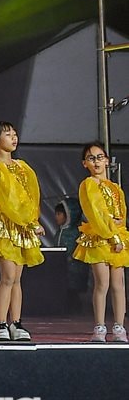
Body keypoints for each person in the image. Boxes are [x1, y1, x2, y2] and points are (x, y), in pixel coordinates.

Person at [0, 120, 42, 342]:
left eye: (14, 134)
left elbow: (32, 195)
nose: (13, 137)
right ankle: (1, 324)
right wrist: (29, 222)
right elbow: (8, 199)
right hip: (4, 226)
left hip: (22, 225)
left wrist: (33, 219)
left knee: (17, 279)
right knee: (8, 276)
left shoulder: (22, 166)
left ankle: (17, 322)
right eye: (8, 134)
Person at [74, 142, 128, 343]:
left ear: (106, 160)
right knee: (102, 283)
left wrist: (118, 230)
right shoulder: (89, 184)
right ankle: (100, 326)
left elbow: (122, 215)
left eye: (99, 157)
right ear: (84, 163)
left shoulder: (116, 188)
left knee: (118, 284)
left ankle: (119, 326)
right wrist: (111, 235)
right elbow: (96, 213)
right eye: (91, 158)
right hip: (100, 237)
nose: (96, 162)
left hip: (118, 237)